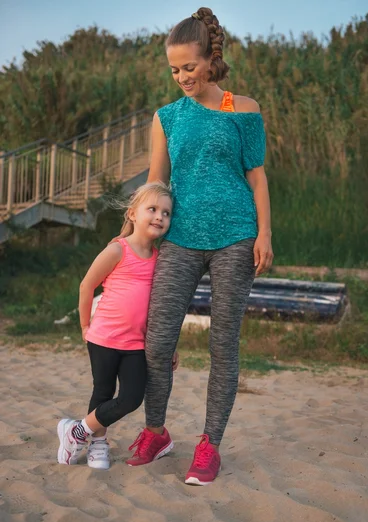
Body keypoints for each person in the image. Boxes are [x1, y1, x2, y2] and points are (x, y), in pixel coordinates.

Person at [126, 6, 273, 485]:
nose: (182, 77)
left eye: (189, 66)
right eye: (174, 69)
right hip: (181, 239)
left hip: (236, 237)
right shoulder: (166, 117)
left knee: (222, 345)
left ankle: (209, 446)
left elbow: (257, 175)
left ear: (211, 58)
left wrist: (265, 234)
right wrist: (139, 234)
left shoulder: (241, 108)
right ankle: (156, 432)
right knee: (157, 341)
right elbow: (156, 182)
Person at [57, 182, 176, 469]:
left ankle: (76, 431)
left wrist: (171, 344)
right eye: (152, 209)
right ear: (133, 214)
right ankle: (97, 444)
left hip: (136, 344)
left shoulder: (161, 259)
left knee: (132, 398)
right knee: (102, 392)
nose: (160, 216)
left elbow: (162, 309)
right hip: (103, 339)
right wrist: (85, 326)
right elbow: (87, 286)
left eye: (166, 213)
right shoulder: (117, 250)